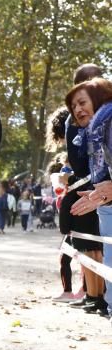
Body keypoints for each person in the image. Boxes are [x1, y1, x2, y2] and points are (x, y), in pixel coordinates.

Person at [67, 77, 112, 318]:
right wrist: (102, 196)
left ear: (99, 98)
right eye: (73, 106)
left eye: (82, 102)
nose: (77, 110)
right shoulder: (96, 130)